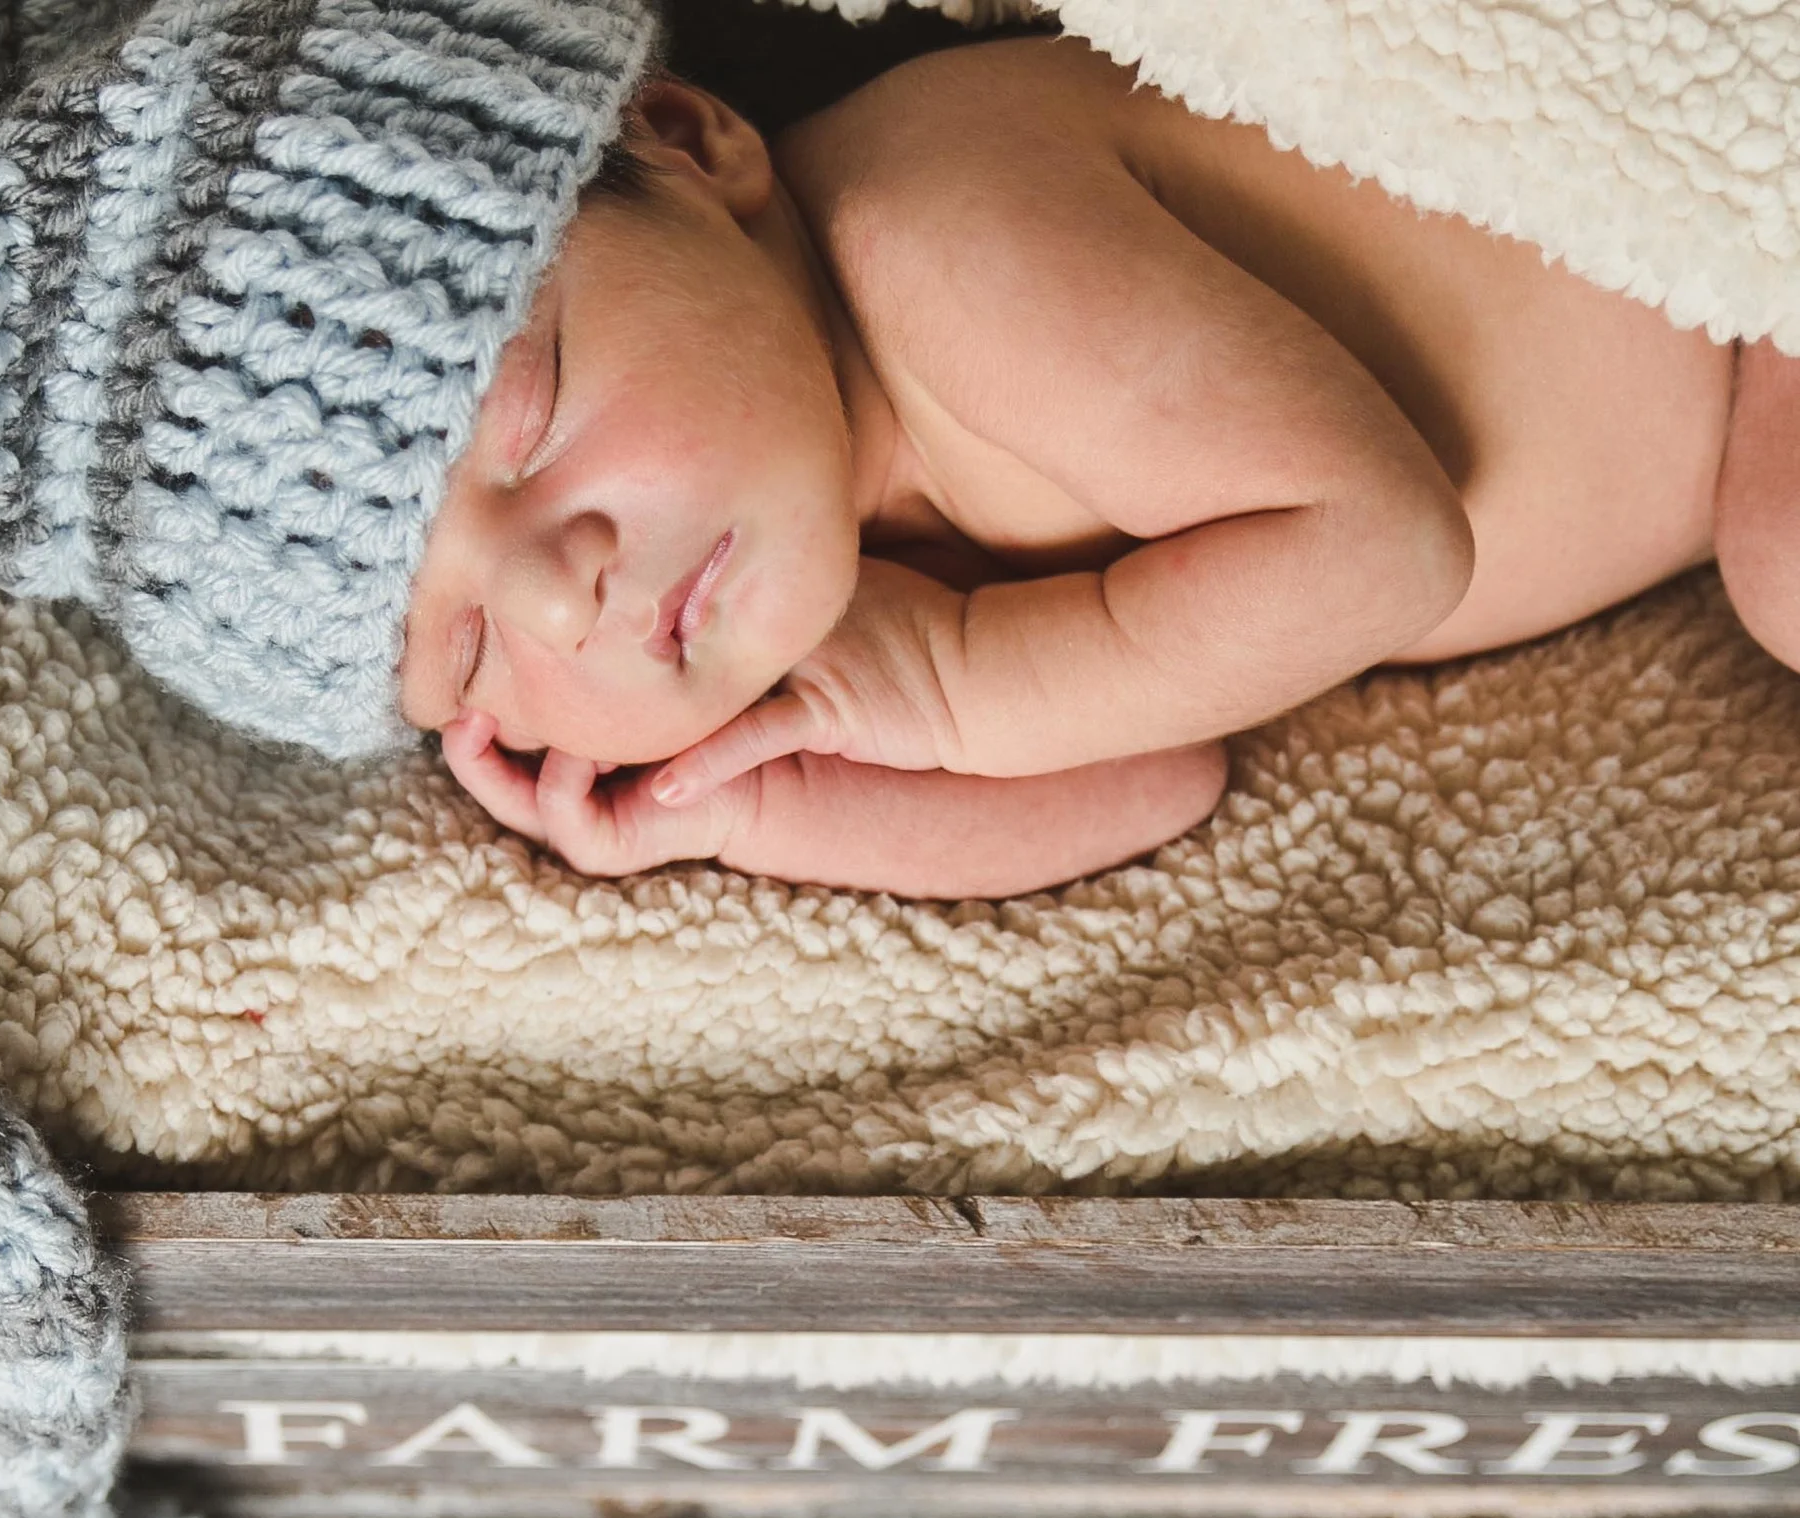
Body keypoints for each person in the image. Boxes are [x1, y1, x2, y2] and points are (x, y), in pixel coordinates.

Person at [397, 34, 1800, 899]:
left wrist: (953, 683)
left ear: (688, 147)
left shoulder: (939, 236)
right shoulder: (813, 542)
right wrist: (757, 801)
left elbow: (1386, 547)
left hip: (1749, 250)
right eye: (464, 653)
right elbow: (1152, 780)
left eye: (534, 411)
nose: (559, 600)